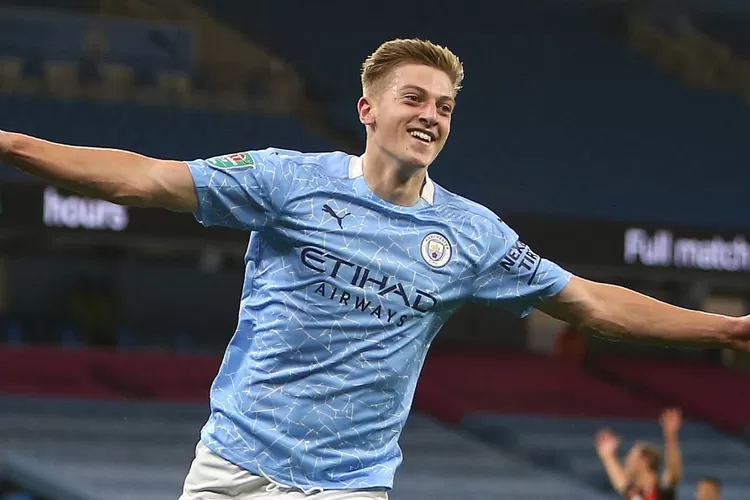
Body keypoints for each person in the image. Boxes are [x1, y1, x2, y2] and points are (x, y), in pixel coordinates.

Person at [0, 38, 748, 499]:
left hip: (347, 485)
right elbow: (144, 179)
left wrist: (724, 328)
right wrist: (14, 146)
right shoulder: (287, 180)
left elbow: (590, 303)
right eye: (413, 98)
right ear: (367, 109)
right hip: (232, 466)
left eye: (445, 107)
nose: (431, 115)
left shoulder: (472, 235)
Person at [595, 408, 684, 500]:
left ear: (645, 461)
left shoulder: (662, 489)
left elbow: (673, 471)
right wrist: (608, 456)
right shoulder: (634, 492)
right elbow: (620, 482)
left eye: (631, 457)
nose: (626, 460)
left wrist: (671, 436)